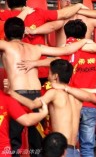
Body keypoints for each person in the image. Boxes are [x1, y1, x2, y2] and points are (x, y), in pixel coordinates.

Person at [1, 17, 90, 157]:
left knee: (14, 142)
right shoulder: (36, 48)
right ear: (23, 34)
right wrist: (85, 40)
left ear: (5, 35)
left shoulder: (5, 45)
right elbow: (64, 53)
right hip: (37, 96)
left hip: (16, 96)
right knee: (37, 143)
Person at [0, 0, 87, 82]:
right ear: (26, 1)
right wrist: (78, 5)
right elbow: (63, 14)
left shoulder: (2, 16)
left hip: (14, 72)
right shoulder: (38, 12)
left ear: (7, 3)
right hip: (40, 70)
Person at [9, 59, 82, 157]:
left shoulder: (54, 93)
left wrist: (11, 92)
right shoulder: (76, 95)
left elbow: (32, 105)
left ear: (55, 76)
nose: (48, 77)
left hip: (60, 152)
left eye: (49, 73)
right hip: (74, 151)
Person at [0, 91, 48, 157]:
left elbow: (27, 120)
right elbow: (27, 120)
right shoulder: (6, 98)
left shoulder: (5, 98)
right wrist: (44, 113)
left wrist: (43, 113)